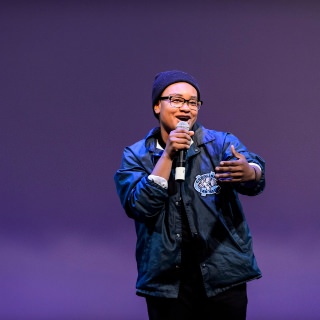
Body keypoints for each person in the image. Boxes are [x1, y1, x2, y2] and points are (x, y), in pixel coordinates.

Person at [114, 70, 266, 320]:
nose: (186, 107)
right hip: (167, 281)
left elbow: (253, 169)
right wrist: (168, 156)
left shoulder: (218, 144)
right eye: (176, 100)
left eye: (192, 102)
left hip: (222, 274)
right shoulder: (135, 155)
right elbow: (140, 207)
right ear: (156, 106)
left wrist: (251, 172)